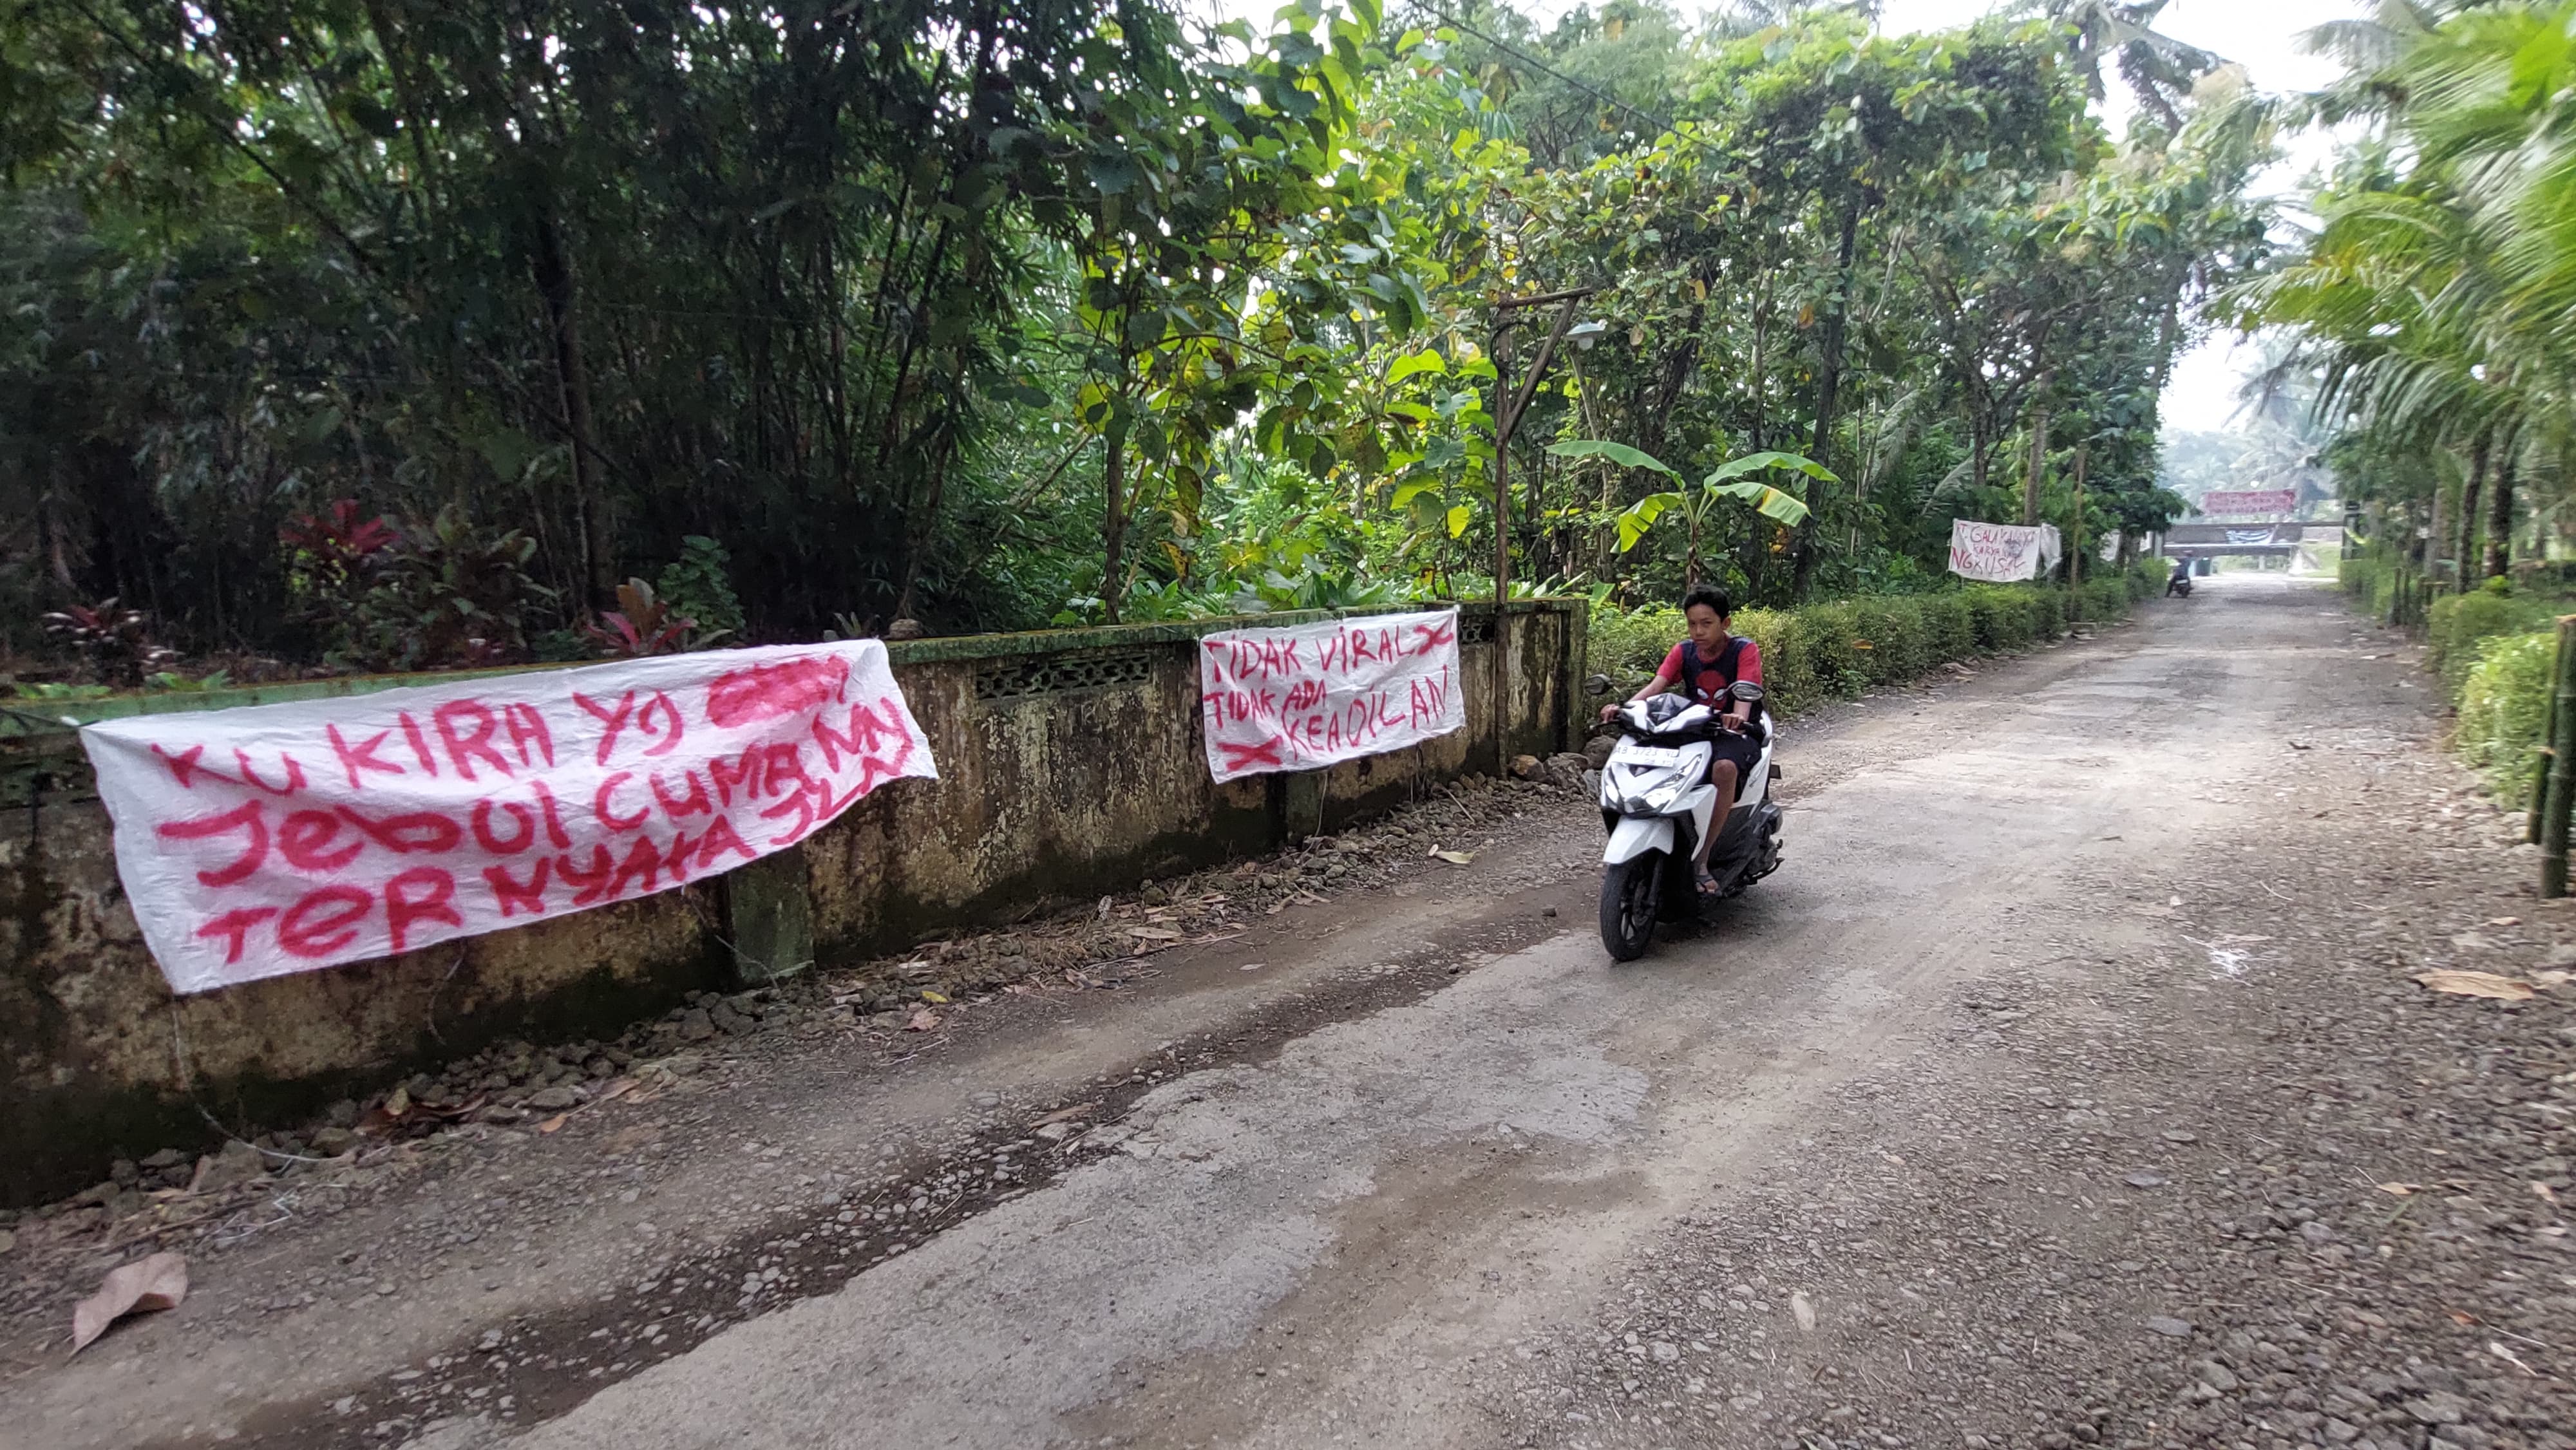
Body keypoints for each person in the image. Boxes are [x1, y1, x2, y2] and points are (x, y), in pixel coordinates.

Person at [1598, 585, 1765, 895]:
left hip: (1731, 732)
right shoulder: (1684, 651)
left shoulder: (1744, 650)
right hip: (1690, 728)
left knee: (1725, 769)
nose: (1698, 631)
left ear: (1725, 623)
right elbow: (1656, 686)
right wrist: (1624, 709)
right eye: (1692, 624)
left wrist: (1738, 717)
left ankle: (1702, 859)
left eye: (1707, 623)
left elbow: (1745, 691)